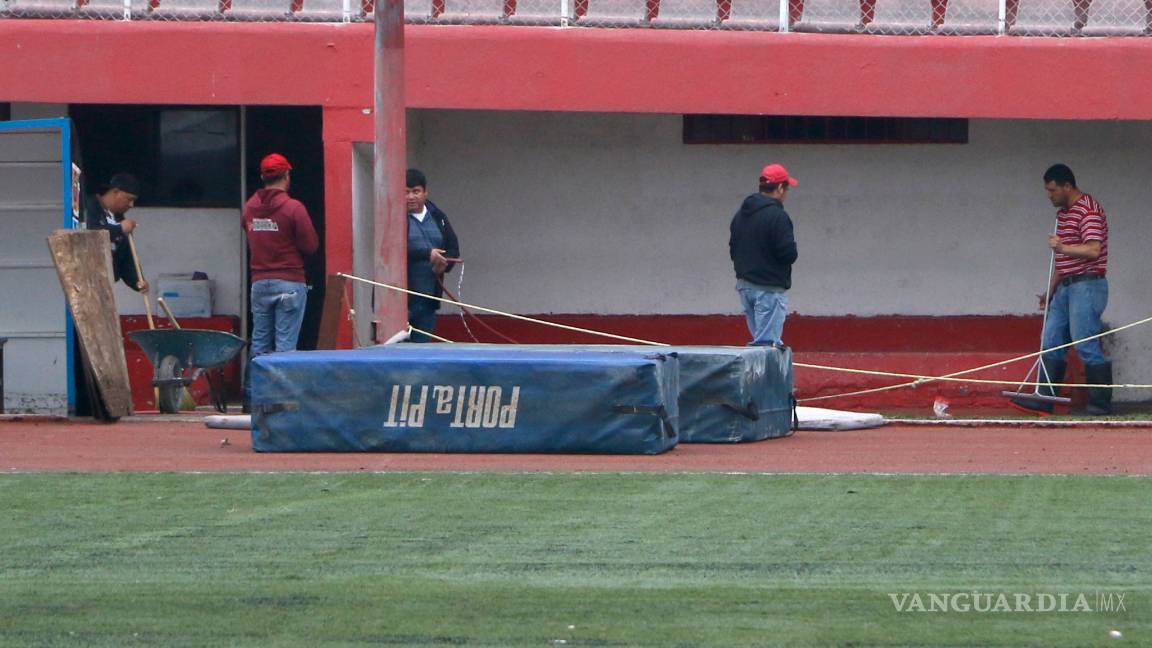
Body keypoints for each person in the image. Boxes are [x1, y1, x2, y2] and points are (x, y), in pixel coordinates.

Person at [1010, 164, 1112, 416]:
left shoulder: (1088, 210)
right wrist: (1050, 291)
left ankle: (1100, 404)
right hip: (1066, 285)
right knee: (1051, 339)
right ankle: (1044, 398)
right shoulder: (1063, 215)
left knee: (1085, 342)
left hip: (1087, 284)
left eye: (1053, 190)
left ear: (1068, 186)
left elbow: (1092, 250)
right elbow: (1063, 262)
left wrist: (1063, 247)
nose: (1050, 196)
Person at [242, 153, 319, 358]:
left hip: (259, 283)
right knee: (285, 348)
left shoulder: (249, 208)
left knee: (259, 343)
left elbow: (248, 232)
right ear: (286, 175)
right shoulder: (293, 208)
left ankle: (254, 389)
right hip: (289, 282)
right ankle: (281, 390)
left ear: (262, 178)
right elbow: (310, 245)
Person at [729, 163, 799, 347]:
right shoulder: (778, 216)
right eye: (786, 188)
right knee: (768, 347)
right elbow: (788, 253)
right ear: (780, 188)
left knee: (759, 342)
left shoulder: (740, 215)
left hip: (745, 286)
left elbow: (733, 248)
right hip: (769, 287)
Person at [406, 168, 460, 342]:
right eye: (406, 192)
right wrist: (427, 254)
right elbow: (392, 250)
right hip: (401, 298)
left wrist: (444, 264)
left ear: (425, 192)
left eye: (416, 191)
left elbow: (453, 249)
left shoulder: (438, 217)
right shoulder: (394, 217)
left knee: (422, 349)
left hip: (429, 297)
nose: (411, 197)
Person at [84, 172, 148, 293]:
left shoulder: (119, 218)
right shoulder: (89, 207)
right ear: (115, 192)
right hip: (86, 283)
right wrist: (119, 229)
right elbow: (90, 234)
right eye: (129, 199)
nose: (131, 205)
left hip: (105, 286)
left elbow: (126, 258)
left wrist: (137, 281)